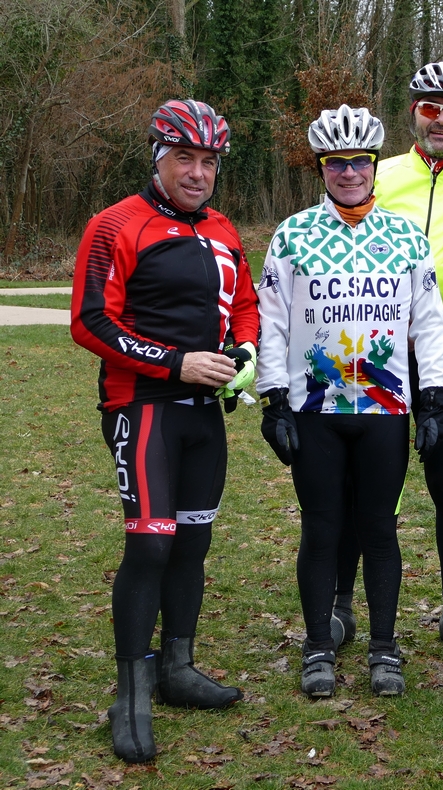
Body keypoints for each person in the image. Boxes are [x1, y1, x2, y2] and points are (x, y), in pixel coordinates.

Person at [71, 99, 258, 763]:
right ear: (158, 159)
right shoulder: (114, 224)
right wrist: (176, 363)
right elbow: (90, 321)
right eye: (184, 158)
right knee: (151, 547)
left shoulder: (224, 228)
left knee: (192, 545)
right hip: (141, 405)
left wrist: (244, 351)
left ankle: (178, 668)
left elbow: (245, 305)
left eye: (208, 161)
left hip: (204, 413)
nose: (198, 172)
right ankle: (131, 692)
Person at [255, 105, 443, 699]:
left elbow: (429, 322)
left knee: (379, 530)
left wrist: (435, 396)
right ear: (321, 168)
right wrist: (272, 398)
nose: (348, 173)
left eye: (359, 162)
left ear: (373, 165)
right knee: (321, 530)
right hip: (316, 410)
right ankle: (318, 645)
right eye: (336, 163)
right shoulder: (292, 234)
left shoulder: (405, 236)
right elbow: (273, 322)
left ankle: (384, 648)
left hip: (384, 410)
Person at [331, 62, 443, 657]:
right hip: (370, 359)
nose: (442, 120)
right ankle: (340, 605)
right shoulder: (378, 174)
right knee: (360, 485)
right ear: (413, 113)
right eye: (432, 108)